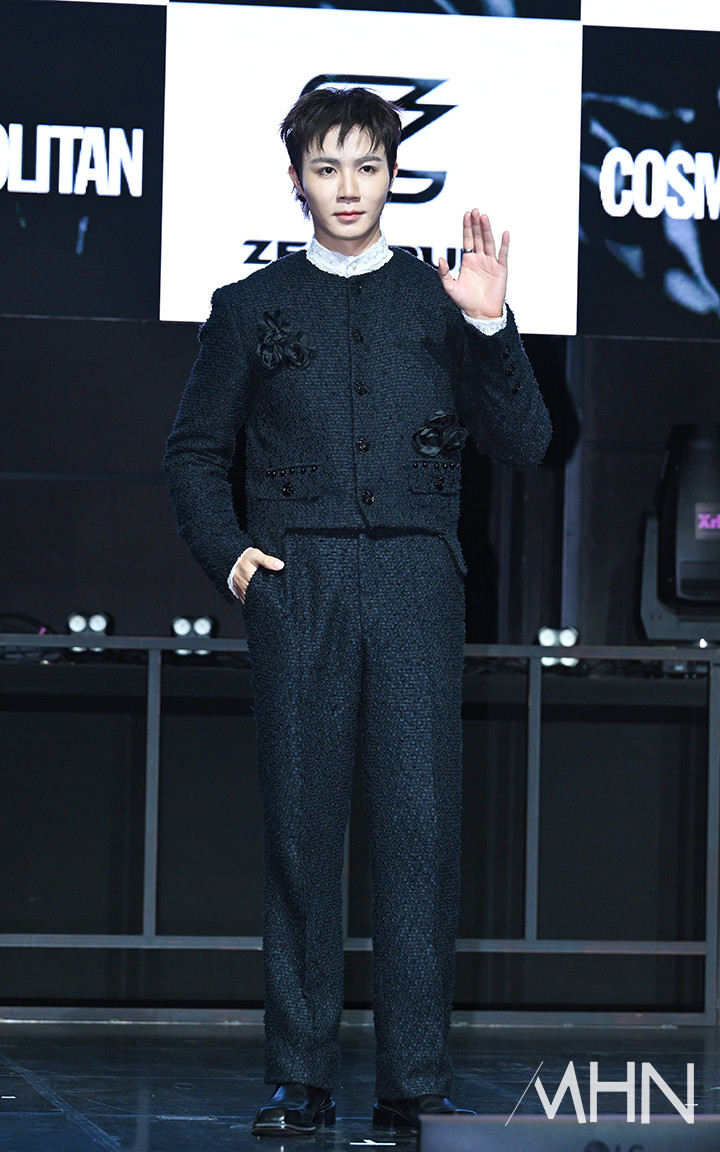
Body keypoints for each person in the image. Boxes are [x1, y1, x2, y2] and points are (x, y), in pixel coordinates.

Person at [163, 86, 551, 1135]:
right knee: (300, 834)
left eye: (367, 167)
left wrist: (492, 324)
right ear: (296, 178)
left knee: (421, 834)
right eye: (327, 167)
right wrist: (233, 559)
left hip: (420, 585)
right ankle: (301, 1076)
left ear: (393, 176)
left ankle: (413, 1081)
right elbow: (193, 452)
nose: (348, 187)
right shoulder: (248, 306)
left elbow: (526, 442)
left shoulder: (442, 299)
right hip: (300, 586)